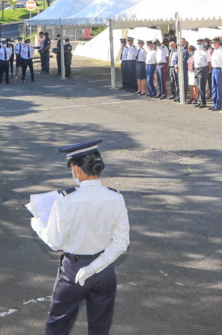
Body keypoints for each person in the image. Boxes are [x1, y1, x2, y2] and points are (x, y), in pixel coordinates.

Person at [31, 140, 130, 335]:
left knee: (58, 326)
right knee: (100, 326)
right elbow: (121, 242)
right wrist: (95, 267)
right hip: (105, 269)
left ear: (77, 169)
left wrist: (38, 224)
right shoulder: (116, 197)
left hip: (72, 269)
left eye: (71, 169)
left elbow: (55, 242)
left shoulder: (66, 200)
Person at [193, 39, 210, 108]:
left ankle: (203, 102)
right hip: (197, 69)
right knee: (198, 86)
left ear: (203, 43)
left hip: (203, 69)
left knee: (201, 86)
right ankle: (200, 101)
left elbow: (209, 62)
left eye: (200, 43)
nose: (199, 45)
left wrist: (209, 69)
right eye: (198, 43)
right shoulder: (196, 51)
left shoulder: (205, 52)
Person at [209, 38, 222, 111]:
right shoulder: (214, 50)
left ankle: (218, 104)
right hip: (214, 69)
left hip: (219, 69)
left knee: (218, 88)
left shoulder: (221, 51)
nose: (213, 44)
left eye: (215, 43)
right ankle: (214, 103)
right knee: (213, 87)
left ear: (218, 43)